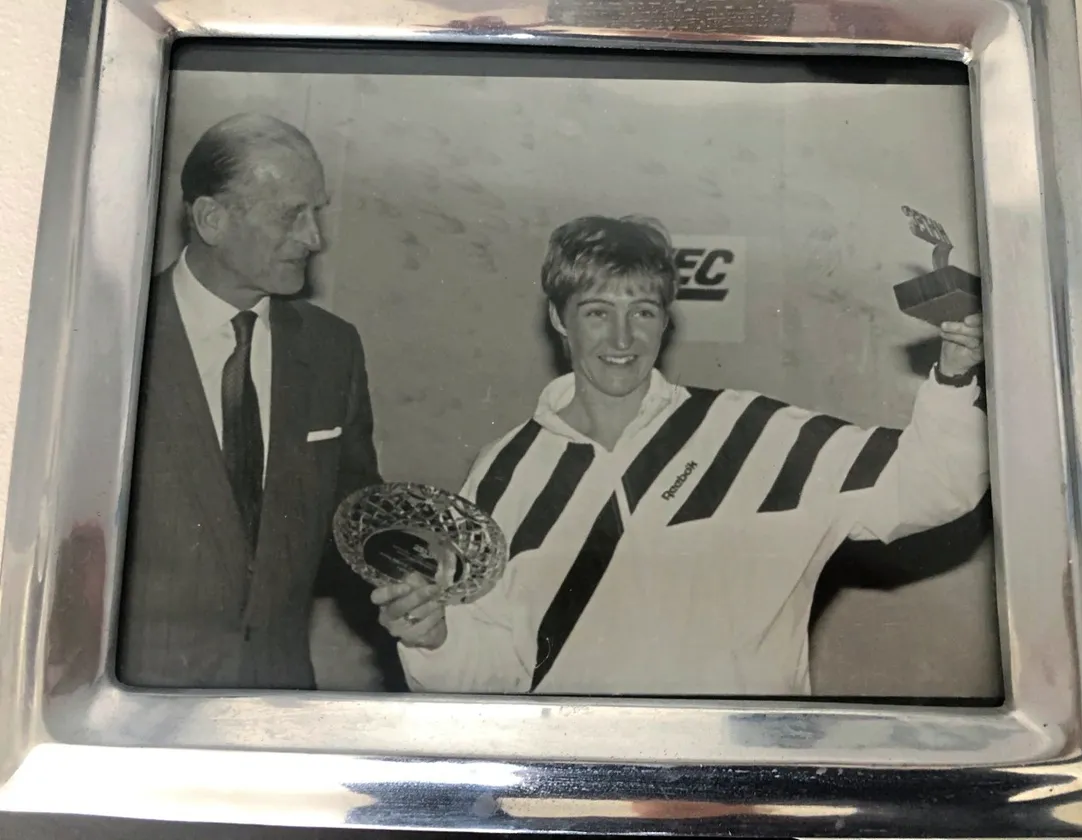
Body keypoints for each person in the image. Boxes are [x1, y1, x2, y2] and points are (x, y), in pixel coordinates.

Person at [372, 214, 989, 697]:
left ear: (666, 321)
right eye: (597, 313)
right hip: (587, 791)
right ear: (560, 320)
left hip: (744, 786)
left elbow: (935, 487)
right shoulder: (505, 471)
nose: (622, 339)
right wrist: (434, 640)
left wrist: (956, 376)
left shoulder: (754, 433)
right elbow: (494, 673)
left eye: (642, 312)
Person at [117, 113, 391, 690]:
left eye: (316, 212)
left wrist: (404, 578)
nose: (314, 237)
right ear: (212, 219)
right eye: (292, 213)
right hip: (139, 710)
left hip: (279, 699)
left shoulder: (333, 349)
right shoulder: (110, 336)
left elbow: (351, 523)